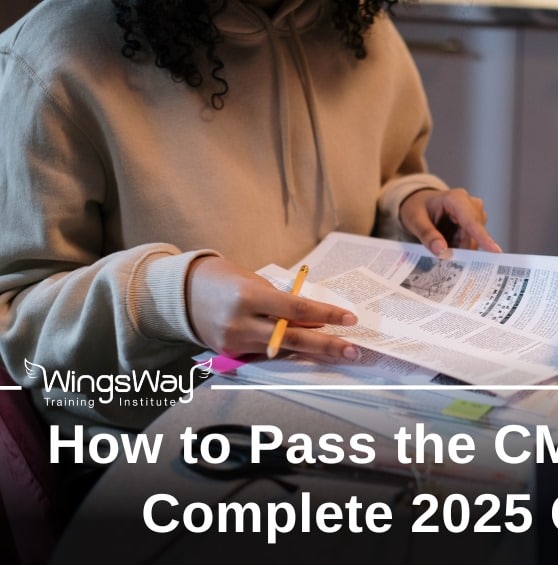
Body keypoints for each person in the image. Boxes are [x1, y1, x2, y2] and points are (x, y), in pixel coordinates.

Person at [0, 0, 501, 434]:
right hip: (161, 435)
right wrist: (171, 299)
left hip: (346, 398)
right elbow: (16, 323)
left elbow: (386, 176)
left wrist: (410, 205)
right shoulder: (50, 59)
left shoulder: (358, 25)